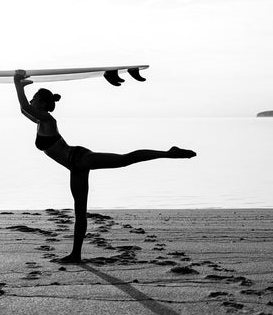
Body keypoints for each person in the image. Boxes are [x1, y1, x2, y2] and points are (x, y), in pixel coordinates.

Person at [13, 69, 196, 263]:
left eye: (34, 98)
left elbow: (25, 105)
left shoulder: (48, 120)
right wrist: (21, 86)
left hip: (80, 159)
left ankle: (169, 153)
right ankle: (76, 254)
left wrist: (17, 83)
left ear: (41, 102)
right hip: (75, 167)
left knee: (124, 159)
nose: (31, 101)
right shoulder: (40, 121)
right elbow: (24, 109)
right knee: (80, 211)